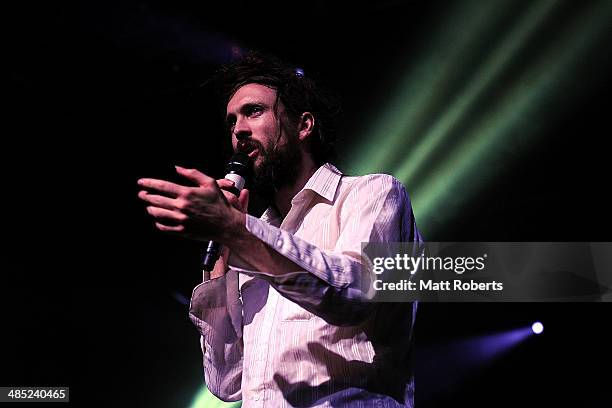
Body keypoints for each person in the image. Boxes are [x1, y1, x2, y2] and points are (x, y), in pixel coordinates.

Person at [137, 51, 423, 407]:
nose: (238, 130)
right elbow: (227, 382)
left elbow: (354, 296)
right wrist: (222, 257)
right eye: (230, 121)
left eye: (253, 112)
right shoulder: (256, 233)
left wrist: (238, 231)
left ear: (303, 126)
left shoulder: (373, 193)